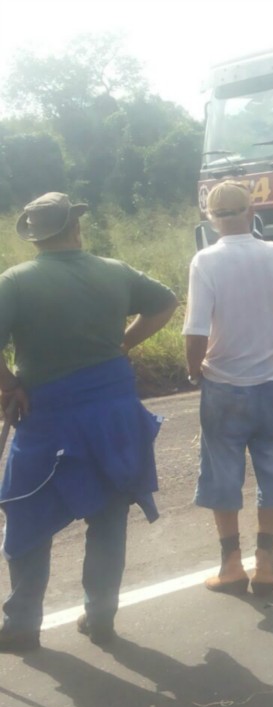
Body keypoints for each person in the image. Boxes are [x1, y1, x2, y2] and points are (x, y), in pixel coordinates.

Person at [0, 192, 177, 652]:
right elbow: (164, 302)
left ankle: (21, 623)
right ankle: (100, 616)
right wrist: (123, 342)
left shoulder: (15, 280)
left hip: (46, 414)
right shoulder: (115, 271)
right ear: (76, 228)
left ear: (35, 236)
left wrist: (8, 386)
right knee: (108, 514)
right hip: (111, 410)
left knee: (26, 510)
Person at [183, 181, 273, 594]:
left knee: (222, 476)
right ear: (252, 213)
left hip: (226, 386)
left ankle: (231, 565)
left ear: (212, 220)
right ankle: (267, 566)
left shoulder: (205, 260)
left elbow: (196, 329)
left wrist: (193, 370)